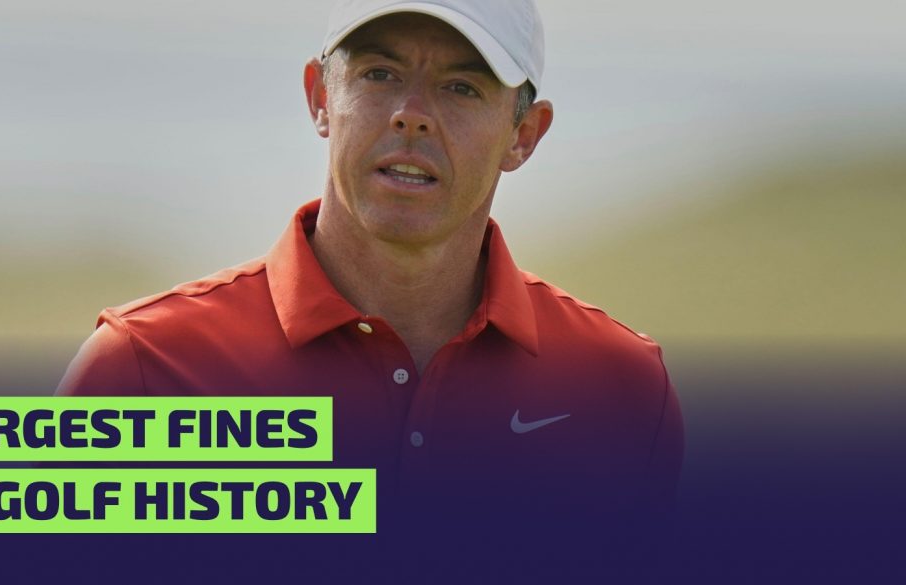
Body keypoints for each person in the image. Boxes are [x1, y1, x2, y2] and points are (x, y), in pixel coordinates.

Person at [58, 0, 683, 575]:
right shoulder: (143, 371)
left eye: (461, 86)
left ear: (524, 135)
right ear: (320, 97)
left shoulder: (622, 388)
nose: (411, 114)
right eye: (380, 74)